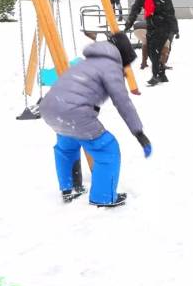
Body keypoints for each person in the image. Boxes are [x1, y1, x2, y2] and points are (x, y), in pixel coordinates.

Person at [38, 32, 152, 207]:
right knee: (107, 149)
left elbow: (76, 89)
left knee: (67, 145)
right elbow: (122, 102)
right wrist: (138, 132)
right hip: (73, 112)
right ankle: (104, 197)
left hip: (50, 107)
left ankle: (70, 188)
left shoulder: (86, 62)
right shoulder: (111, 66)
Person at [124, 0, 179, 86]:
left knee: (154, 51)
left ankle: (156, 76)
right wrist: (129, 22)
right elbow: (136, 8)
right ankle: (162, 75)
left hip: (164, 24)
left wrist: (175, 29)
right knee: (151, 50)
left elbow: (170, 12)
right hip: (151, 23)